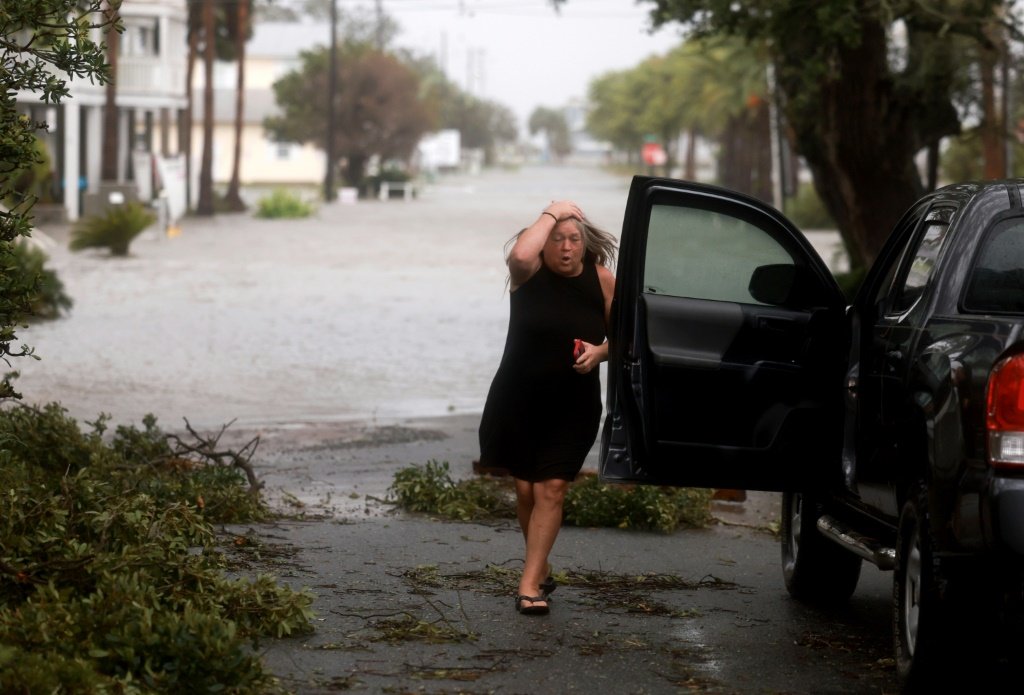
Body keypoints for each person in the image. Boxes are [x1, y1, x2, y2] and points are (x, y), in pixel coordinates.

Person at [478, 200, 617, 616]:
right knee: (525, 490)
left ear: (585, 243)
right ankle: (540, 565)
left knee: (551, 488)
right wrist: (553, 211)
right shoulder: (528, 274)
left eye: (574, 239)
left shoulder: (603, 280)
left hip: (573, 404)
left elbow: (628, 336)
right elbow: (520, 253)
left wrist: (600, 353)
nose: (566, 247)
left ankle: (529, 583)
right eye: (557, 240)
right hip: (517, 398)